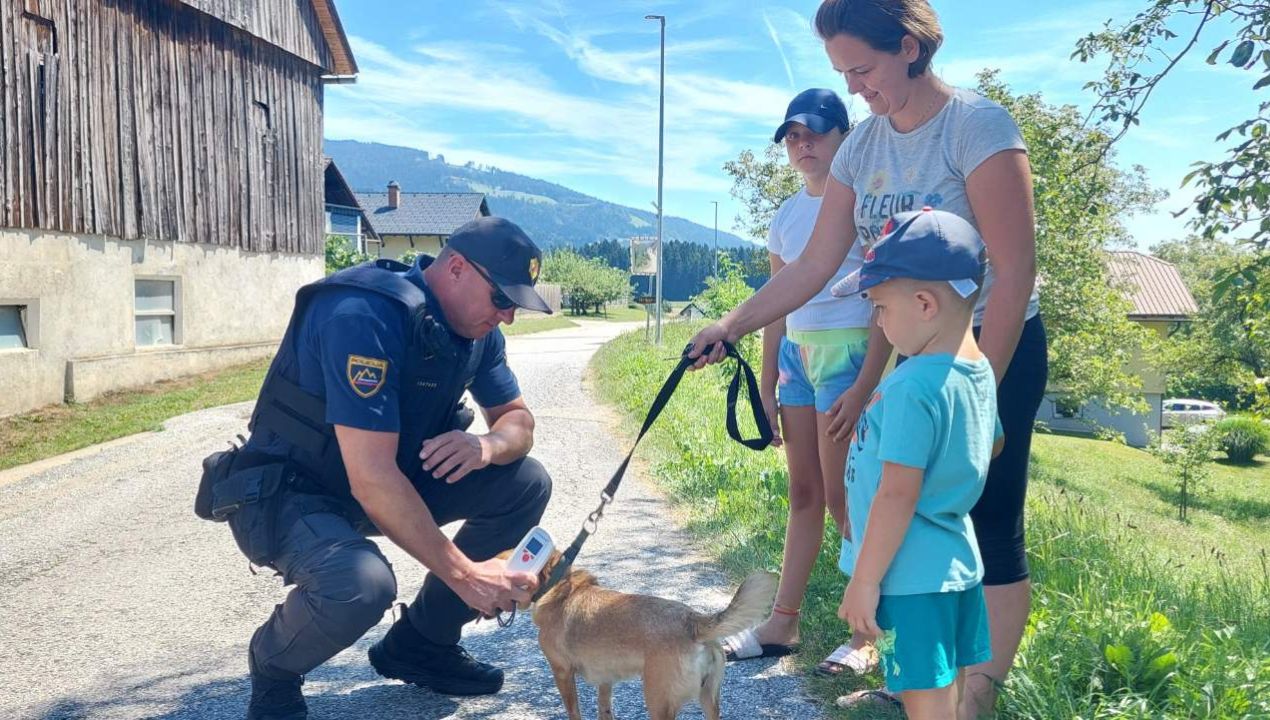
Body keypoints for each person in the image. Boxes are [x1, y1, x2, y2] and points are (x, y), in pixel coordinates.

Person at [688, 1, 1046, 713]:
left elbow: (1014, 270)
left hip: (987, 349)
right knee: (908, 521)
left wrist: (978, 389)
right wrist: (731, 323)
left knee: (987, 521)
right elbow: (816, 261)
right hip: (913, 354)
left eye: (862, 67)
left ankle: (976, 695)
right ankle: (922, 682)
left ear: (910, 48)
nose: (853, 87)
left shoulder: (977, 126)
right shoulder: (863, 148)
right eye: (840, 71)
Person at [214, 217, 556, 720]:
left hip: (380, 480)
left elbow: (519, 423)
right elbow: (372, 476)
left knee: (525, 481)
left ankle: (421, 643)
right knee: (362, 583)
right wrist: (465, 575)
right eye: (502, 298)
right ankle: (274, 668)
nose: (507, 316)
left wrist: (486, 445)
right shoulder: (364, 313)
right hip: (295, 491)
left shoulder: (475, 334)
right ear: (457, 268)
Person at [718, 88, 891, 679]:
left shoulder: (862, 207)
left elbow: (883, 303)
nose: (802, 144)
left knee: (847, 496)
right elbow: (775, 307)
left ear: (845, 136)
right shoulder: (785, 217)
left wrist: (868, 380)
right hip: (796, 358)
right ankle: (782, 622)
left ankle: (865, 635)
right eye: (791, 136)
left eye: (814, 132)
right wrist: (765, 386)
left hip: (847, 356)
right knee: (802, 494)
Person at [832, 208, 1000, 719]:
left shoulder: (912, 385)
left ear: (924, 304)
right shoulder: (978, 371)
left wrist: (865, 579)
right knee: (949, 697)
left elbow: (897, 493)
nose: (877, 321)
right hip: (957, 565)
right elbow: (991, 445)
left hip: (910, 576)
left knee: (926, 707)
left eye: (880, 307)